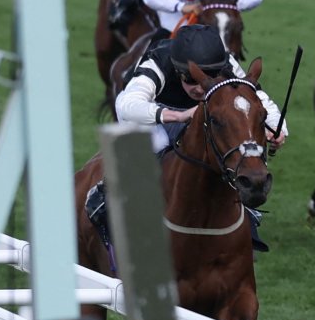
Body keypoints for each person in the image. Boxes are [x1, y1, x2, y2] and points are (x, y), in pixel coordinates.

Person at [110, 23, 283, 250]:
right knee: (161, 142)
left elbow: (256, 96)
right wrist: (176, 115)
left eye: (210, 77)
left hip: (202, 115)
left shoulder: (225, 63)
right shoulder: (159, 60)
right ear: (178, 69)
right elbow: (125, 105)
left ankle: (245, 214)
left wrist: (277, 126)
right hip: (153, 117)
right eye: (191, 79)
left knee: (229, 148)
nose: (200, 88)